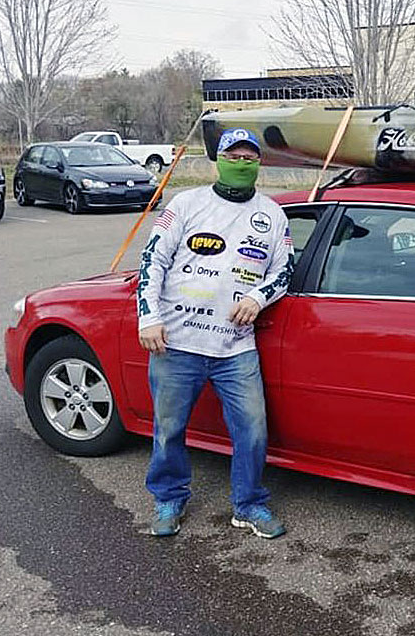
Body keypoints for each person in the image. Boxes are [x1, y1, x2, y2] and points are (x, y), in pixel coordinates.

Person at [137, 128, 293, 538]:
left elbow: (284, 270)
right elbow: (152, 261)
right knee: (169, 428)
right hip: (176, 342)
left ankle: (249, 505)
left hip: (235, 347)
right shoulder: (187, 203)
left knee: (253, 430)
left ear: (259, 162)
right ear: (218, 159)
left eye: (249, 156)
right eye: (233, 155)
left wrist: (259, 297)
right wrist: (148, 316)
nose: (241, 163)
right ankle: (168, 499)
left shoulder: (272, 215)